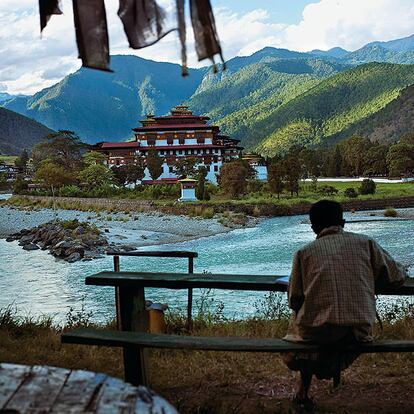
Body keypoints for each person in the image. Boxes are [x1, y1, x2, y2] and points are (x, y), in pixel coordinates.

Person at [283, 200, 408, 409]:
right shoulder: (367, 244)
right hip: (358, 331)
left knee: (300, 319)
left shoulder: (304, 253)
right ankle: (316, 383)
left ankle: (303, 390)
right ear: (343, 222)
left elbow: (294, 299)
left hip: (318, 333)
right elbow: (395, 276)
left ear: (313, 226)